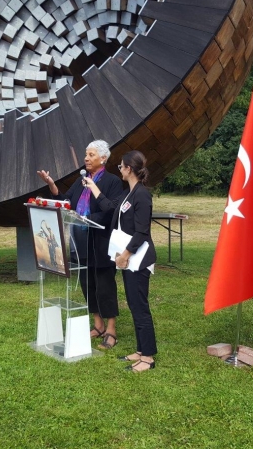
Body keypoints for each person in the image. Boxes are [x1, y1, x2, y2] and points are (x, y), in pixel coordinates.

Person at [37, 140, 123, 349]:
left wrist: (86, 217)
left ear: (103, 158)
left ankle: (111, 329)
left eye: (91, 155)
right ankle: (98, 325)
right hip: (81, 243)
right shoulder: (82, 180)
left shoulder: (112, 182)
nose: (86, 158)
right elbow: (67, 202)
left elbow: (110, 211)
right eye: (86, 154)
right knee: (87, 284)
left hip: (101, 243)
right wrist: (52, 185)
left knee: (104, 285)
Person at [84, 150, 158, 372]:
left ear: (128, 169)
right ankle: (140, 349)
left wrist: (125, 254)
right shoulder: (130, 193)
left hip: (137, 259)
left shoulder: (142, 195)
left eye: (121, 167)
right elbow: (110, 208)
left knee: (140, 307)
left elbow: (142, 231)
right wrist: (94, 188)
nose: (120, 171)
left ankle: (148, 358)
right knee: (134, 306)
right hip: (127, 260)